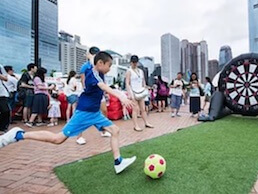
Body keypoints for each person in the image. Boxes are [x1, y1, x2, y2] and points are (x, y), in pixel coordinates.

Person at [0, 52, 136, 174]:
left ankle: (118, 162)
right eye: (109, 65)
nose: (109, 69)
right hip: (85, 112)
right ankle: (19, 134)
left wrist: (90, 55)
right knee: (58, 139)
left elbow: (92, 57)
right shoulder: (94, 75)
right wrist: (121, 96)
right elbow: (103, 86)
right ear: (100, 64)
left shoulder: (92, 66)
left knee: (115, 130)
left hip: (94, 113)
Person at [125, 55, 154, 132]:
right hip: (133, 91)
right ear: (131, 62)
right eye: (133, 62)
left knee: (143, 109)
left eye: (135, 62)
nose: (134, 64)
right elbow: (127, 83)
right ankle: (136, 125)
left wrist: (144, 87)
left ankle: (146, 122)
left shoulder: (140, 71)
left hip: (140, 91)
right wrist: (130, 93)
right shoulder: (129, 71)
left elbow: (143, 81)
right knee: (135, 109)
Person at [0, 64, 10, 134]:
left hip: (1, 93)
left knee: (5, 111)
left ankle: (3, 127)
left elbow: (6, 78)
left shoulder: (0, 66)